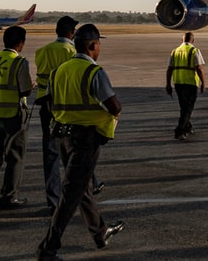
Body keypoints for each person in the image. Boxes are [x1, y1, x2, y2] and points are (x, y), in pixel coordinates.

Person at [36, 24, 124, 260]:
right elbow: (114, 106)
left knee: (81, 188)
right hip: (86, 139)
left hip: (63, 136)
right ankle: (48, 249)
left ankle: (100, 232)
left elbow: (49, 104)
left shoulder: (59, 71)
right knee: (70, 195)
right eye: (99, 45)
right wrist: (109, 120)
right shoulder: (94, 72)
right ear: (93, 45)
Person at [34, 16, 106, 215]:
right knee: (77, 152)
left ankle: (53, 199)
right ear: (71, 33)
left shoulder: (42, 51)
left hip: (46, 106)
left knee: (50, 154)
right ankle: (87, 187)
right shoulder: (72, 52)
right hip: (67, 109)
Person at [0, 25, 33, 209]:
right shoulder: (19, 62)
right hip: (12, 114)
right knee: (15, 155)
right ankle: (8, 197)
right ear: (21, 43)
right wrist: (32, 85)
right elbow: (25, 90)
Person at [166, 32, 206, 140]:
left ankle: (188, 126)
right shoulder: (194, 51)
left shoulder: (175, 51)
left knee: (184, 107)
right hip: (191, 83)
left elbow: (169, 69)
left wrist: (168, 84)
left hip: (178, 83)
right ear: (193, 41)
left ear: (181, 40)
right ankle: (179, 130)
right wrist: (203, 83)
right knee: (188, 108)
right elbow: (199, 68)